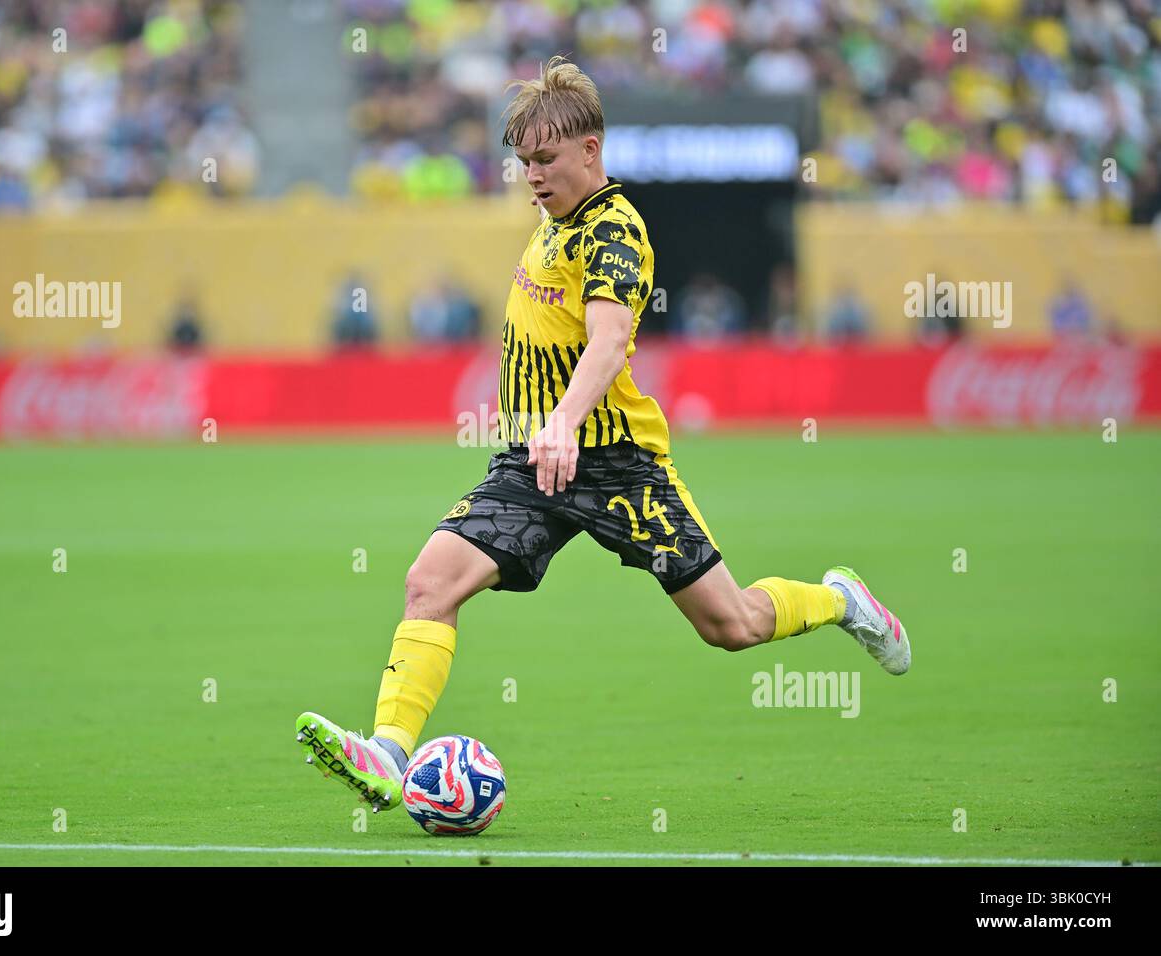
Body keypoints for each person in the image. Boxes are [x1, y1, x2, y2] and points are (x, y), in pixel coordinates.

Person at [296, 57, 910, 811]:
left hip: (618, 464)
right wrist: (542, 433)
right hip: (532, 462)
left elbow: (610, 341)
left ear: (592, 150)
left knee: (732, 625)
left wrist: (562, 420)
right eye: (523, 162)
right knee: (429, 582)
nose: (532, 175)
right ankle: (387, 754)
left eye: (546, 159)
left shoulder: (616, 230)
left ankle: (842, 600)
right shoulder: (552, 220)